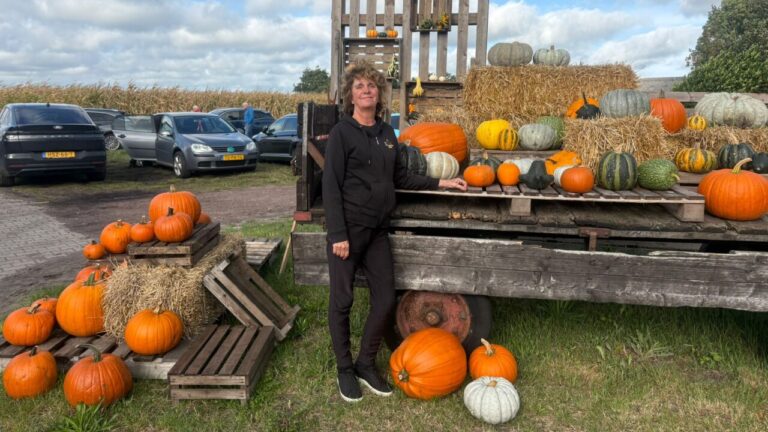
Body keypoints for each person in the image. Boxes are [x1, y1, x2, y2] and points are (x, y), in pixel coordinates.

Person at [322, 62, 467, 403]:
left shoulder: (388, 134)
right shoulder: (342, 133)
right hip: (349, 231)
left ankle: (365, 363)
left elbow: (400, 177)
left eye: (371, 85)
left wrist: (440, 181)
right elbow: (331, 186)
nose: (366, 90)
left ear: (379, 93)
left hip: (376, 233)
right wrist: (337, 235)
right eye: (359, 86)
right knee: (342, 301)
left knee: (386, 299)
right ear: (350, 95)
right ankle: (345, 369)